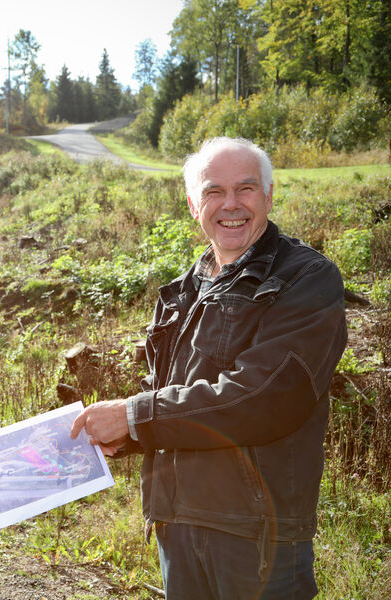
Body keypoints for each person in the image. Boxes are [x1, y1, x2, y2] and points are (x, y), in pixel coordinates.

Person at [71, 137, 347, 599]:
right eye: (214, 191)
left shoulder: (304, 277)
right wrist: (126, 434)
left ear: (269, 195)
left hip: (256, 535)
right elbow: (171, 396)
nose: (231, 204)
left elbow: (266, 397)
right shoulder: (183, 290)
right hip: (176, 525)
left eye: (246, 188)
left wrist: (136, 416)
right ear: (193, 205)